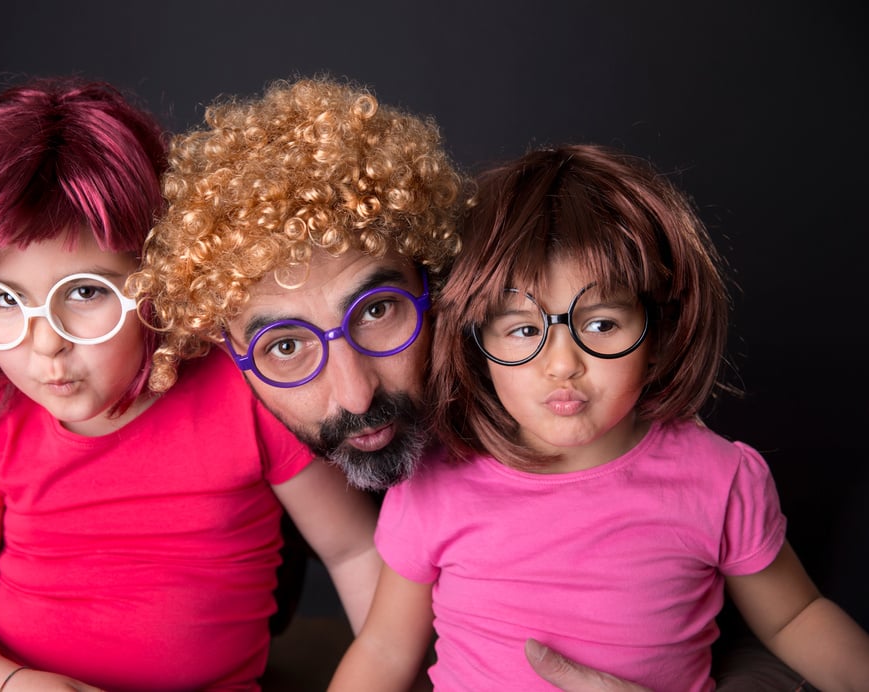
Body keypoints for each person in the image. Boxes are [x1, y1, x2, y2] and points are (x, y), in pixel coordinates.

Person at [132, 76, 678, 691]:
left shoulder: (556, 384)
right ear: (226, 354)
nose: (355, 393)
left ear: (436, 278)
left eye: (376, 311)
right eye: (285, 346)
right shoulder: (217, 441)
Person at [0, 76, 380, 692]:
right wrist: (8, 685)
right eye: (3, 300)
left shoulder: (243, 390)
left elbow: (358, 552)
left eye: (85, 292)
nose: (45, 342)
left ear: (161, 275)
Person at [328, 143, 869, 691]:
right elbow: (384, 648)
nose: (562, 364)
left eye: (602, 325)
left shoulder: (719, 479)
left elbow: (795, 618)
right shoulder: (435, 483)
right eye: (522, 330)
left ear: (657, 335)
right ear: (478, 345)